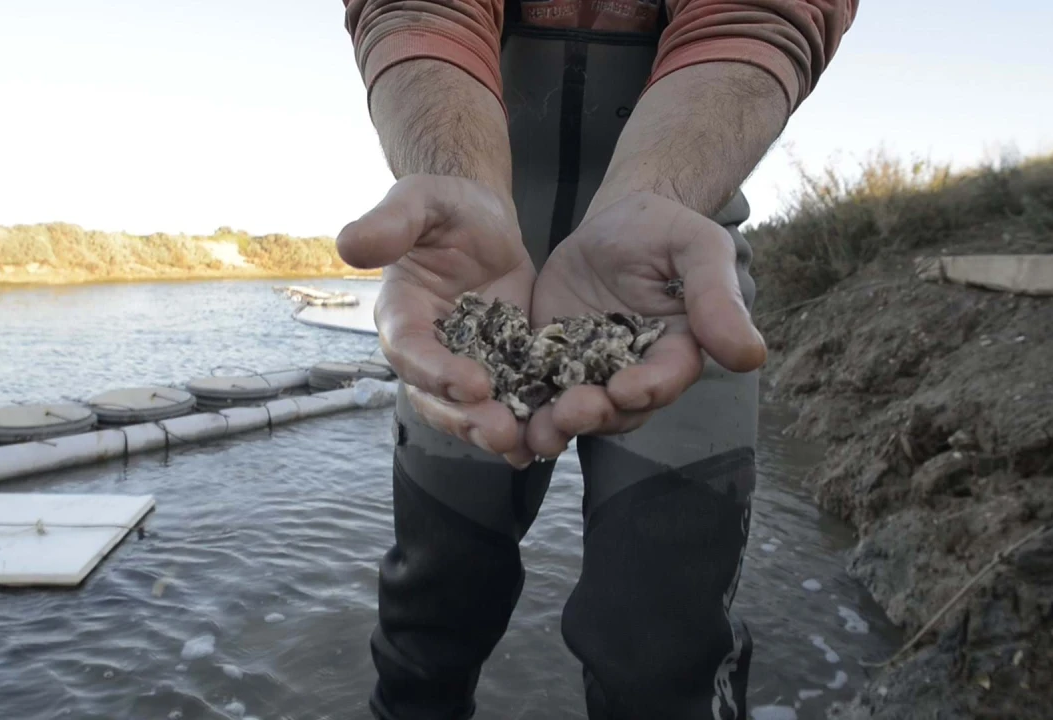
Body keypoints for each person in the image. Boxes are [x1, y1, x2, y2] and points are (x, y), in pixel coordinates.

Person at [337, 2, 857, 718]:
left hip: (667, 265)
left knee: (665, 652)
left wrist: (657, 192)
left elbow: (758, 13)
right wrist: (452, 177)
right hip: (470, 261)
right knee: (427, 620)